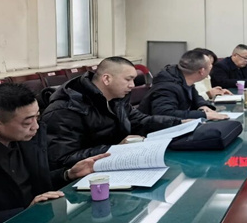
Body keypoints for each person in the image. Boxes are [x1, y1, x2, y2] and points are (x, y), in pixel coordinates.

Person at [0, 84, 108, 223]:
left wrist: (68, 174)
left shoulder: (24, 136)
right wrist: (24, 212)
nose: (36, 126)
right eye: (27, 122)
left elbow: (32, 182)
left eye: (37, 117)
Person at [43, 57, 181, 169]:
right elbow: (61, 159)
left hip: (114, 163)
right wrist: (115, 149)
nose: (132, 85)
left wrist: (178, 123)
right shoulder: (65, 110)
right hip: (83, 178)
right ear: (107, 79)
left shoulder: (117, 99)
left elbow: (140, 121)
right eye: (128, 79)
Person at [138, 49, 229, 121]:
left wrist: (203, 106)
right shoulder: (167, 87)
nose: (212, 67)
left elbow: (196, 97)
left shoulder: (185, 78)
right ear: (201, 71)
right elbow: (164, 113)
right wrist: (204, 115)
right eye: (210, 65)